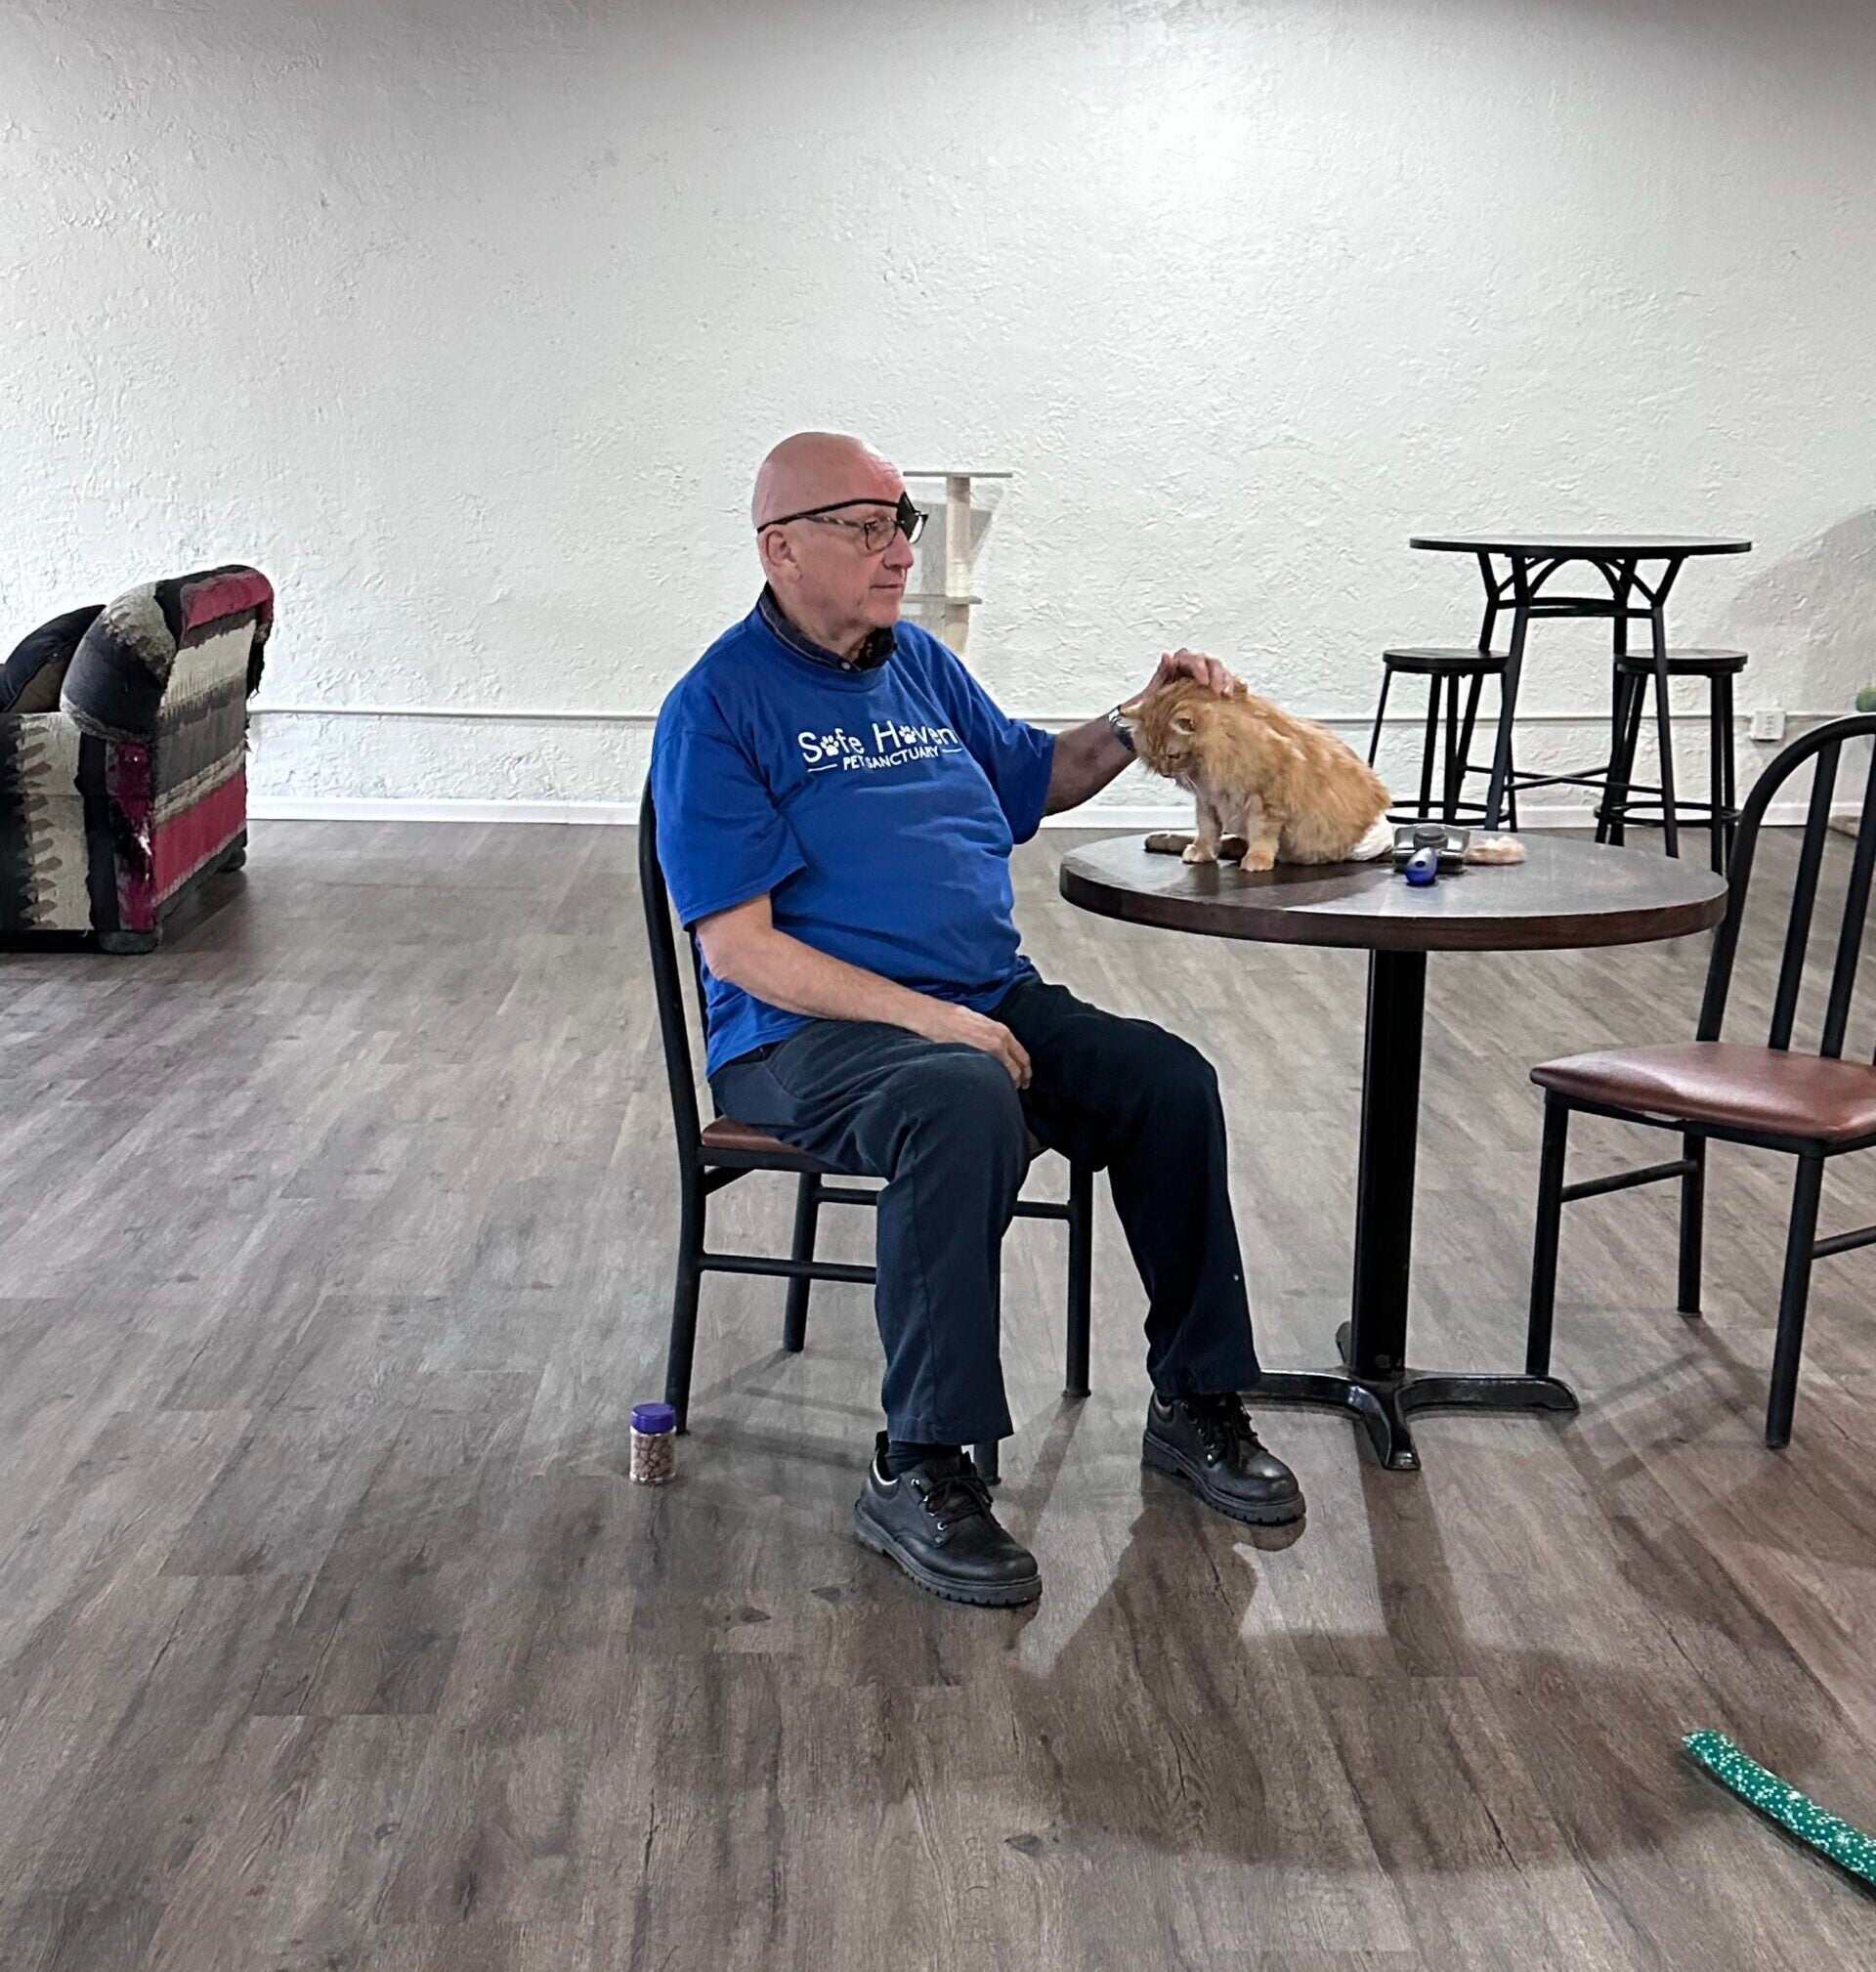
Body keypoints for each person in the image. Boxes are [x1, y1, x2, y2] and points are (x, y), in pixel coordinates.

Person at [649, 432, 1301, 1608]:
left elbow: (1030, 779)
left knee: (1167, 1081)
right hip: (799, 1036)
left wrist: (1145, 713)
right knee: (959, 1099)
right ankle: (920, 1462)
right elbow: (741, 949)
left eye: (902, 523)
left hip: (983, 1000)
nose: (901, 550)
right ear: (780, 549)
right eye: (868, 526)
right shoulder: (716, 707)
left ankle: (1196, 1398)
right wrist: (929, 1022)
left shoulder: (918, 667)